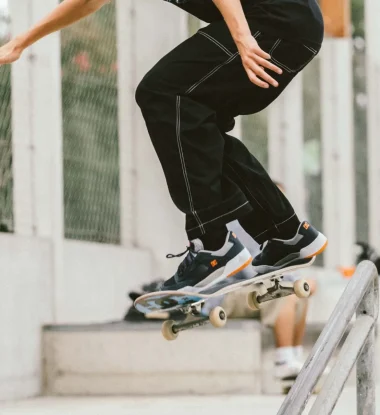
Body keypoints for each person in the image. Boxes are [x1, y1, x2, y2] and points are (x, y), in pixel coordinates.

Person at [0, 0, 328, 291]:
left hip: (274, 21)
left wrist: (242, 37)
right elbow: (86, 2)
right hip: (288, 25)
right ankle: (286, 234)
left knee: (161, 92)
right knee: (196, 125)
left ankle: (213, 246)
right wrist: (20, 42)